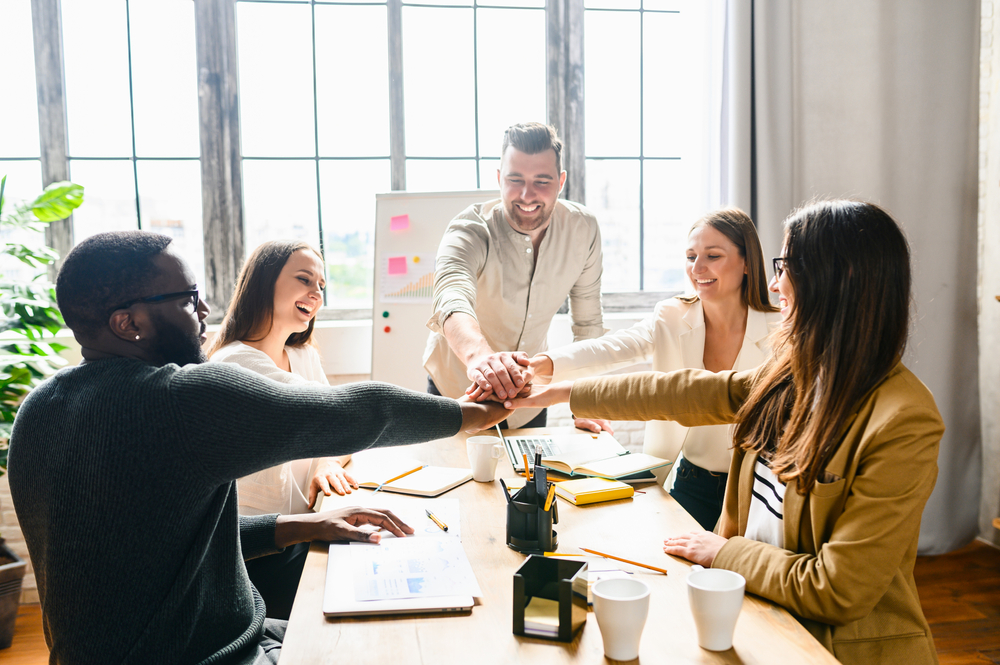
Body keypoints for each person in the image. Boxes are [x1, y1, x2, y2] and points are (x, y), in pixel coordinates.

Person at [6, 231, 505, 665]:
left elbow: (157, 537)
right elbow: (358, 411)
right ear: (128, 323)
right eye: (187, 298)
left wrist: (301, 525)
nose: (204, 310)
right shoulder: (180, 398)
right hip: (212, 655)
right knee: (403, 641)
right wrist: (473, 412)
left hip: (164, 647)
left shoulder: (38, 410)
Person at [504, 200, 944, 664]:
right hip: (758, 614)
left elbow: (836, 588)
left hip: (828, 648)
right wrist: (557, 393)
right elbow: (681, 393)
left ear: (843, 278)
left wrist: (723, 552)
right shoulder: (791, 374)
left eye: (787, 266)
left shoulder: (903, 420)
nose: (777, 283)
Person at [521, 208, 781, 529]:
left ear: (746, 262)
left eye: (713, 256)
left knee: (734, 576)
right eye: (690, 256)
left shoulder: (780, 328)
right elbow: (613, 348)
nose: (697, 268)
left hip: (754, 490)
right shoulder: (671, 315)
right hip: (691, 482)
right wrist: (539, 365)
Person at [206, 240, 355, 620]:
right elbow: (343, 418)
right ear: (263, 283)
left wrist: (325, 463)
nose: (315, 293)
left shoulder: (303, 356)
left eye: (320, 285)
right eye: (304, 279)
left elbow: (340, 433)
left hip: (304, 531)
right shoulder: (235, 364)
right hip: (257, 556)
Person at [423, 121, 605, 429]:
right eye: (515, 179)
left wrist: (587, 400)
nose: (527, 194)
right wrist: (482, 359)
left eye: (542, 181)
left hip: (528, 398)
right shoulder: (469, 229)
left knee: (531, 477)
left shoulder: (583, 229)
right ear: (499, 178)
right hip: (459, 391)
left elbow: (587, 325)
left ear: (561, 181)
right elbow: (451, 297)